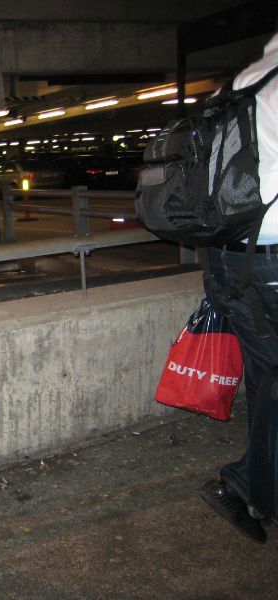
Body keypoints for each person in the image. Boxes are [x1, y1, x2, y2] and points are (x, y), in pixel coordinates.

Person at [200, 32, 278, 544]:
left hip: (228, 257)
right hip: (268, 259)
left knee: (268, 379)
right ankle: (245, 483)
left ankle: (255, 488)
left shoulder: (240, 83)